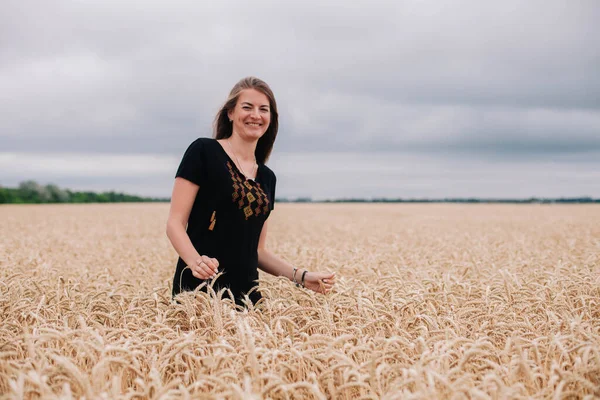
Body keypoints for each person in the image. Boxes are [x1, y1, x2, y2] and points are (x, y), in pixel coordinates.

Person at [166, 76, 336, 308]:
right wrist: (195, 261)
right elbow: (175, 223)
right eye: (247, 107)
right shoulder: (203, 151)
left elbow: (258, 251)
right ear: (230, 113)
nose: (255, 115)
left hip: (248, 297)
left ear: (271, 119)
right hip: (199, 293)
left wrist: (303, 277)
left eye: (263, 109)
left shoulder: (267, 178)